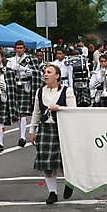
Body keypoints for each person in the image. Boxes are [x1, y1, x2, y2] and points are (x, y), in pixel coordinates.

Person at [28, 64, 76, 204]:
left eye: (49, 72)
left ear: (57, 76)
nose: (45, 74)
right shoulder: (40, 92)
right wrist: (32, 130)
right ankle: (52, 193)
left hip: (63, 128)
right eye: (44, 72)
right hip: (45, 129)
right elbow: (36, 112)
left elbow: (73, 110)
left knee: (64, 161)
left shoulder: (67, 91)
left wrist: (59, 108)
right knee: (47, 163)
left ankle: (69, 183)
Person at [8, 41, 41, 148]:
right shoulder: (11, 60)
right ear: (15, 49)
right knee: (19, 112)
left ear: (24, 48)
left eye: (21, 48)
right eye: (17, 48)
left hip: (27, 87)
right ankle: (22, 136)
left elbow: (36, 72)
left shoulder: (30, 59)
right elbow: (7, 72)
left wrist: (25, 69)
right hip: (15, 86)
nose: (19, 50)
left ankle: (27, 135)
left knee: (27, 112)